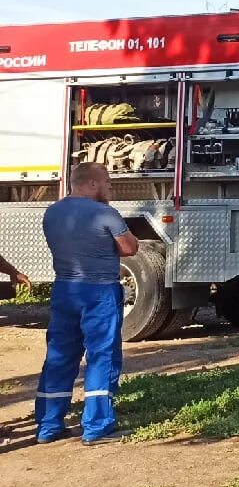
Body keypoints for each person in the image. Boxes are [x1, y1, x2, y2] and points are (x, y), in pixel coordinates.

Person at [37, 162, 141, 444]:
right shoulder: (105, 213)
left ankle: (48, 425)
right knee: (101, 355)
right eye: (107, 182)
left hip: (65, 290)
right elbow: (130, 248)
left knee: (59, 356)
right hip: (99, 292)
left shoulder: (52, 212)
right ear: (92, 184)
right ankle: (97, 426)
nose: (110, 187)